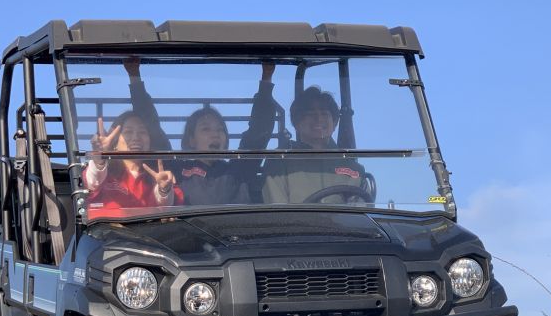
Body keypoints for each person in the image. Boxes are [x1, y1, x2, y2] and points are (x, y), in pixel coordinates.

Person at [124, 59, 277, 205]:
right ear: (191, 139)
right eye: (206, 128)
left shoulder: (239, 169)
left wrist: (266, 79)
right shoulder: (176, 170)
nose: (215, 134)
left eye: (220, 129)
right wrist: (135, 77)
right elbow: (153, 129)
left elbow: (259, 131)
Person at [262, 86, 369, 204]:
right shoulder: (279, 161)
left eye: (324, 114)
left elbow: (358, 217)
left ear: (334, 123)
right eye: (310, 113)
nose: (318, 118)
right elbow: (276, 213)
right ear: (297, 123)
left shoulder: (354, 169)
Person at [83, 111, 183, 217]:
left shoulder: (159, 177)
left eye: (142, 132)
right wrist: (99, 158)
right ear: (115, 143)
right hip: (104, 232)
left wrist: (164, 189)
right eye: (128, 132)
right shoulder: (102, 172)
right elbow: (92, 182)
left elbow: (167, 207)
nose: (136, 138)